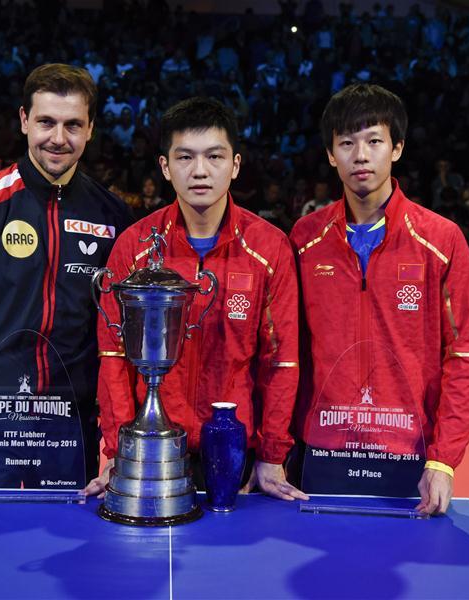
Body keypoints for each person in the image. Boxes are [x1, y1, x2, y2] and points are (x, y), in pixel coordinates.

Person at [0, 64, 132, 501]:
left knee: (71, 558)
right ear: (24, 121)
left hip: (71, 423)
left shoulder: (113, 217)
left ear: (90, 129)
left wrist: (116, 436)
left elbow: (120, 336)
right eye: (46, 122)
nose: (58, 138)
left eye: (73, 125)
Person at [86, 97, 307, 502]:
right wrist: (119, 451)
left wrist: (273, 453)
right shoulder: (134, 247)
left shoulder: (269, 248)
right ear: (165, 167)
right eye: (185, 157)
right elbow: (114, 358)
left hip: (233, 450)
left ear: (235, 165)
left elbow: (280, 360)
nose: (200, 171)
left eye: (214, 156)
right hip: (150, 450)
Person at [290, 84, 469, 515]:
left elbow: (464, 355)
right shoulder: (304, 240)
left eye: (374, 141)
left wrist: (444, 458)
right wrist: (273, 447)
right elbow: (285, 352)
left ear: (396, 148)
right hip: (322, 450)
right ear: (329, 154)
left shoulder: (441, 240)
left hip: (409, 453)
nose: (360, 155)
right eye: (346, 143)